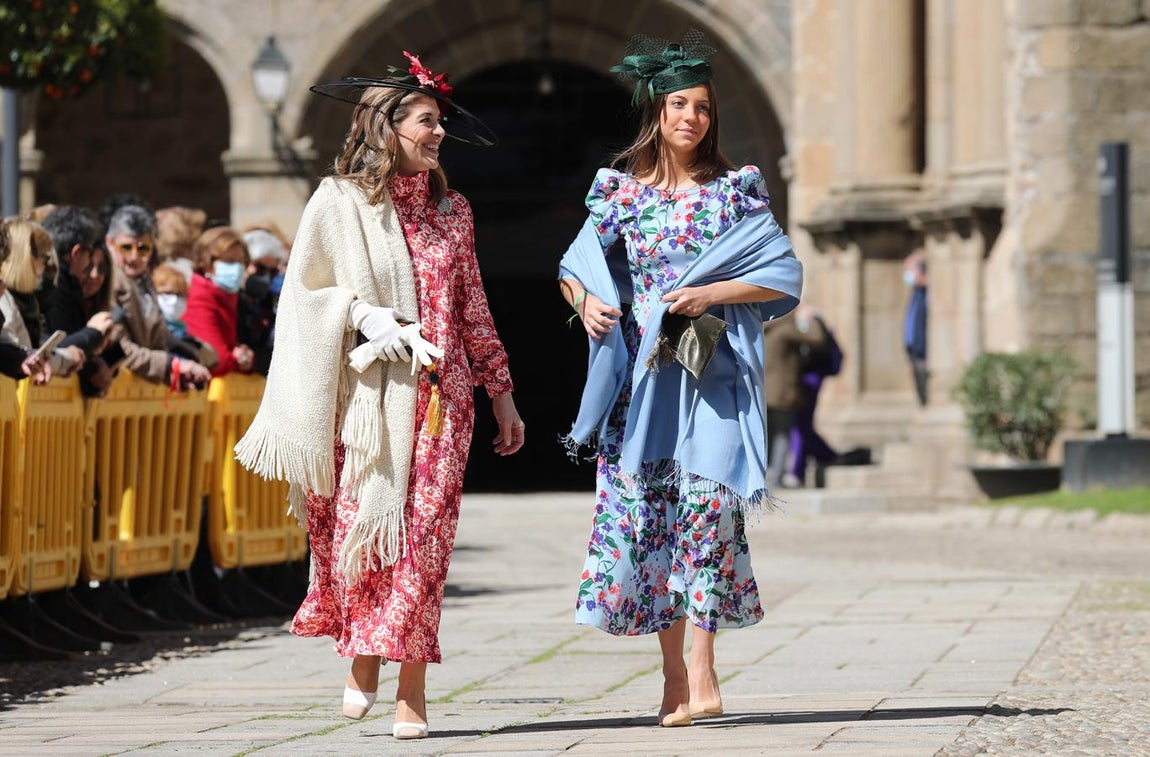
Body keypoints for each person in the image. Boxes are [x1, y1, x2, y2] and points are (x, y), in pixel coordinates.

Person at [234, 51, 524, 741]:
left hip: (441, 401)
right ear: (385, 127)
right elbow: (304, 292)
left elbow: (473, 304)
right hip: (364, 403)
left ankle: (411, 692)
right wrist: (364, 316)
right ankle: (363, 651)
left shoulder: (454, 212)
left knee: (423, 544)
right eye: (426, 121)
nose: (438, 133)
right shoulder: (339, 202)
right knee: (366, 538)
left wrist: (503, 391)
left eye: (439, 123)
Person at [557, 31, 803, 727]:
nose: (690, 117)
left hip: (711, 376)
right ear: (657, 115)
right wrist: (589, 302)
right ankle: (671, 679)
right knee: (648, 525)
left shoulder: (735, 193)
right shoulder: (622, 194)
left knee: (708, 515)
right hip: (643, 384)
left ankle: (703, 666)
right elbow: (573, 266)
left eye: (700, 106)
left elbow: (782, 274)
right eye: (678, 106)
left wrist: (711, 294)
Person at [103, 205, 213, 390]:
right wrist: (172, 364)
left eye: (143, 248)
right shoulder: (109, 282)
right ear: (109, 243)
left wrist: (189, 358)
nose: (134, 257)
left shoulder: (146, 280)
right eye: (125, 248)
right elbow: (120, 347)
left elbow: (159, 337)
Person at [182, 226, 253, 376]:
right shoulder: (199, 297)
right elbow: (215, 360)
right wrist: (238, 359)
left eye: (241, 262)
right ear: (207, 263)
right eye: (229, 261)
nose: (237, 268)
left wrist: (243, 356)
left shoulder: (228, 296)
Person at [903, 250, 928, 406]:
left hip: (923, 352)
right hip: (914, 351)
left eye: (910, 269)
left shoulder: (927, 294)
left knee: (926, 395)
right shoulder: (916, 293)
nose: (907, 274)